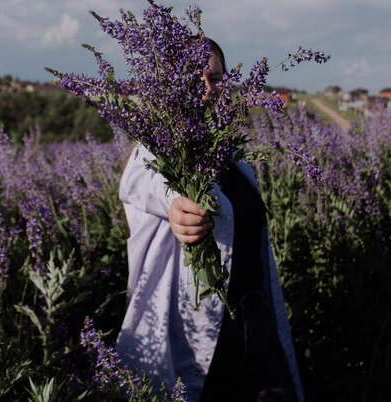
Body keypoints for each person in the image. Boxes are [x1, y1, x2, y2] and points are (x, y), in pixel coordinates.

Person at [116, 41, 305, 402]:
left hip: (255, 327)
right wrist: (177, 205)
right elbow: (144, 183)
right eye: (193, 79)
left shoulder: (232, 157)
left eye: (216, 79)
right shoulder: (157, 151)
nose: (206, 90)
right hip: (204, 339)